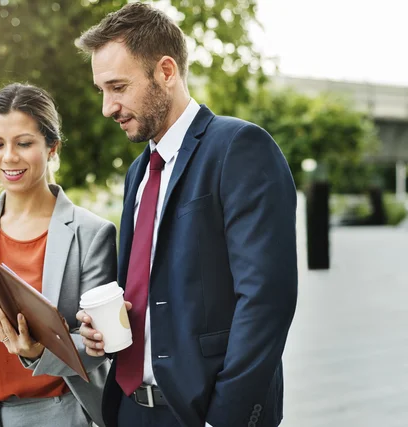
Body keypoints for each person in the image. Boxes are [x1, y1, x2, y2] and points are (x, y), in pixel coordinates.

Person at [75, 4, 298, 427]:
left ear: (166, 71)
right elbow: (154, 287)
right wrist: (107, 328)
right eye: (101, 90)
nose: (107, 107)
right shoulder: (139, 171)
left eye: (118, 87)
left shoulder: (240, 148)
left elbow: (267, 299)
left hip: (202, 414)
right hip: (129, 409)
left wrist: (225, 418)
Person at [0, 83, 116, 427]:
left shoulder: (91, 233)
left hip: (58, 413)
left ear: (52, 148)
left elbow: (100, 348)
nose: (9, 157)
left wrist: (38, 352)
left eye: (24, 144)